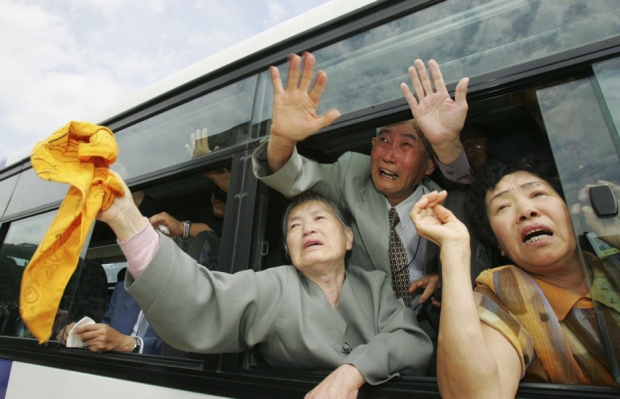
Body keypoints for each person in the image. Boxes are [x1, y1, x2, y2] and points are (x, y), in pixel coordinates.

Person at [95, 173, 433, 398]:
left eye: (319, 219)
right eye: (295, 226)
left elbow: (411, 341)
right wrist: (128, 223)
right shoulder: (274, 286)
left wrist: (354, 369)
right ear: (288, 250)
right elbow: (205, 300)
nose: (307, 230)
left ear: (348, 238)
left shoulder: (377, 286)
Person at [252, 52, 487, 310]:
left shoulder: (444, 203)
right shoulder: (352, 174)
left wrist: (446, 279)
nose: (388, 156)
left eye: (406, 144)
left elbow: (473, 200)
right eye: (383, 140)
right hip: (367, 333)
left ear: (430, 164)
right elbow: (292, 176)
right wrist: (284, 140)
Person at [409, 157, 620, 398]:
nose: (526, 211)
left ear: (571, 212)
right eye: (503, 207)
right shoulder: (502, 293)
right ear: (500, 245)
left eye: (538, 194)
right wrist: (454, 248)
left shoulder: (614, 265)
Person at [58, 280, 163, 355]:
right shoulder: (122, 290)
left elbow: (177, 353)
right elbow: (106, 333)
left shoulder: (178, 294)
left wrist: (132, 344)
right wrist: (78, 335)